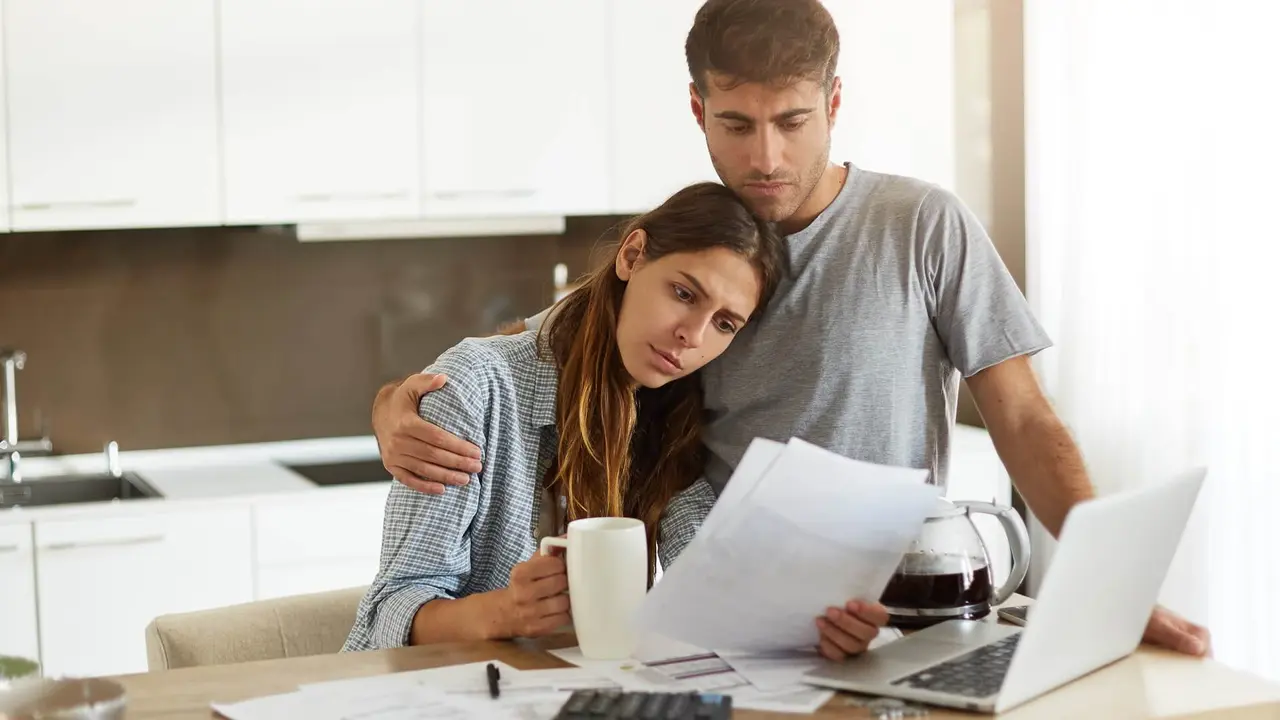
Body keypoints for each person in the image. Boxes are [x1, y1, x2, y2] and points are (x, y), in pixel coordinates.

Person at [367, 0, 1212, 659]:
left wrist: (1112, 588)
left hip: (899, 616)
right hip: (746, 633)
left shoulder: (923, 225)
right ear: (698, 110)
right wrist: (400, 401)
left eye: (793, 122)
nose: (766, 158)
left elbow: (1022, 416)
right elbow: (553, 347)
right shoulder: (691, 250)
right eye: (736, 125)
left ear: (833, 102)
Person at [345, 183, 803, 650]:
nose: (692, 336)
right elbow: (389, 614)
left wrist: (814, 617)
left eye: (724, 324)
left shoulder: (673, 415)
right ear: (632, 256)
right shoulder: (474, 386)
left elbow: (706, 581)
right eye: (684, 293)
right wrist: (504, 612)